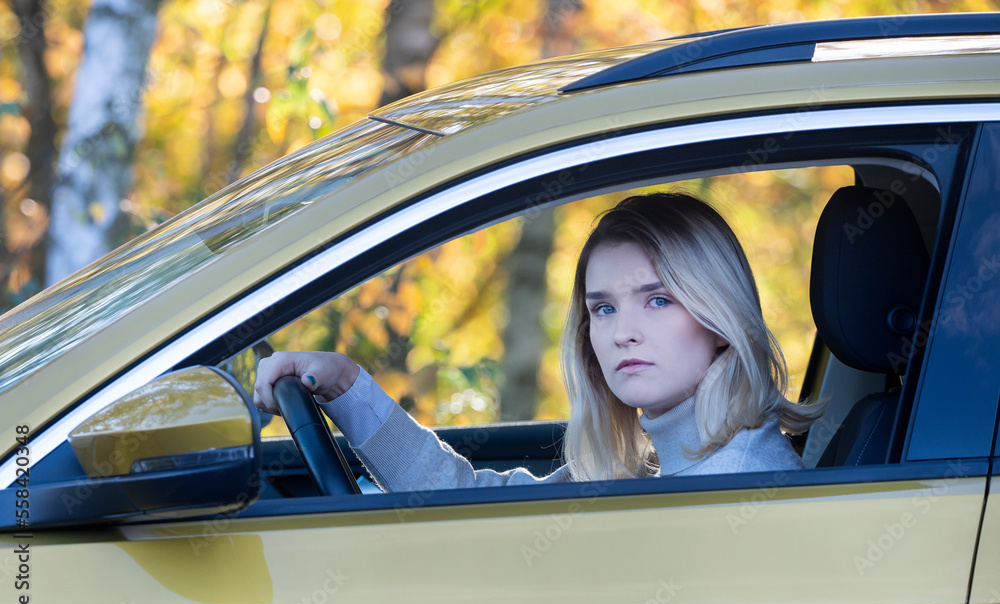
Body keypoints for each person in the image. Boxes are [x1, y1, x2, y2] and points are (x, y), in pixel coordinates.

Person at [254, 192, 822, 492]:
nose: (621, 332)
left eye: (657, 300)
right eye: (603, 308)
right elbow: (466, 500)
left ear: (719, 321)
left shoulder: (738, 486)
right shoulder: (653, 470)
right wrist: (347, 386)